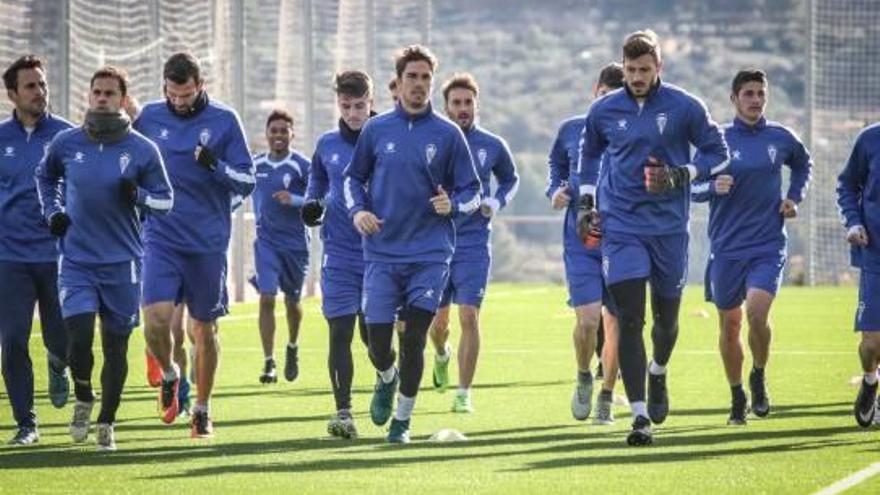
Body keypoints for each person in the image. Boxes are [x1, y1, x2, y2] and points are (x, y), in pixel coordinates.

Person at [576, 30, 729, 445]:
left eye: (645, 70)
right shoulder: (604, 110)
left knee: (666, 322)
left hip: (668, 231)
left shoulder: (685, 107)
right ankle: (639, 417)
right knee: (629, 318)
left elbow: (719, 152)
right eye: (630, 70)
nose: (637, 77)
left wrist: (684, 174)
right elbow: (588, 156)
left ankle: (658, 371)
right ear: (622, 68)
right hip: (621, 227)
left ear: (659, 67)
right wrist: (587, 204)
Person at [344, 45, 481, 443]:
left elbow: (472, 190)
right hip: (383, 252)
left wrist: (452, 205)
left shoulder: (448, 134)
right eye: (412, 77)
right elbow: (353, 180)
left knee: (415, 337)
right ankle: (386, 378)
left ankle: (402, 422)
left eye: (425, 78)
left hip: (430, 254)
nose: (419, 85)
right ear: (399, 82)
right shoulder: (375, 129)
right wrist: (358, 212)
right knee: (376, 343)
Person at [36, 66, 173, 450]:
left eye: (110, 93)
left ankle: (107, 422)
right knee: (77, 339)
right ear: (89, 95)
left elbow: (166, 201)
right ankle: (83, 393)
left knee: (115, 347)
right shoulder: (66, 143)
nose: (102, 98)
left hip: (123, 265)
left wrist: (140, 197)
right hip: (77, 262)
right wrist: (54, 212)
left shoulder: (143, 149)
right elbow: (45, 178)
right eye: (97, 92)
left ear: (123, 99)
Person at [135, 52, 254, 438]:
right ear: (164, 88)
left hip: (206, 242)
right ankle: (170, 374)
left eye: (186, 94)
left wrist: (215, 166)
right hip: (161, 237)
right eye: (173, 94)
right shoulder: (150, 118)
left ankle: (202, 409)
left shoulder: (224, 120)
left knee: (203, 330)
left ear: (200, 85)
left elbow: (247, 180)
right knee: (154, 323)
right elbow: (129, 161)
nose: (179, 102)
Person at [692, 69, 812, 425]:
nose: (756, 99)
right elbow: (690, 186)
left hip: (767, 245)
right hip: (726, 249)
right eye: (749, 93)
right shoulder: (717, 141)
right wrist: (714, 188)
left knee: (757, 314)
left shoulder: (780, 137)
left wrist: (793, 197)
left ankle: (758, 375)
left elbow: (804, 164)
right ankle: (736, 394)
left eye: (761, 93)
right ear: (734, 98)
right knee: (730, 325)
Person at [428, 72, 519, 413]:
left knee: (469, 316)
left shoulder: (492, 145)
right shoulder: (433, 141)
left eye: (468, 102)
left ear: (476, 104)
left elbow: (510, 179)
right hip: (436, 242)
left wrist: (496, 202)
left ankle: (464, 392)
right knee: (437, 324)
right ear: (446, 107)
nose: (463, 108)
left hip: (474, 244)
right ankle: (441, 353)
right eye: (456, 103)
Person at [0, 55, 73, 445]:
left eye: (42, 84)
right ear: (12, 93)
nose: (39, 92)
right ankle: (26, 423)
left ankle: (58, 363)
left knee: (61, 339)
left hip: (58, 255)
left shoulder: (66, 136)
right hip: (9, 258)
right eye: (30, 86)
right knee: (12, 340)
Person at [547, 62, 624, 425]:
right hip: (580, 240)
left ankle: (607, 395)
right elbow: (556, 166)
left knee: (618, 322)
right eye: (605, 96)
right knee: (589, 321)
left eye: (617, 98)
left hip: (624, 240)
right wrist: (556, 190)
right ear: (596, 92)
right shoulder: (571, 130)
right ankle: (583, 375)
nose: (609, 104)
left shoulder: (630, 134)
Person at [302, 69, 374, 439]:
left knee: (373, 337)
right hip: (338, 254)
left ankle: (386, 376)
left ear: (371, 103)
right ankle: (343, 412)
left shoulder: (385, 139)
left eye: (359, 105)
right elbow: (317, 181)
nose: (352, 113)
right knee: (339, 331)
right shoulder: (327, 143)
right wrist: (312, 203)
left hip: (380, 253)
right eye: (346, 106)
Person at [250, 109, 310, 384]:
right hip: (267, 243)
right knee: (266, 296)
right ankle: (268, 362)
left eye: (283, 130)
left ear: (291, 134)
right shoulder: (256, 165)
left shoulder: (301, 165)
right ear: (266, 134)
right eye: (273, 130)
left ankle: (293, 347)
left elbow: (319, 197)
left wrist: (295, 200)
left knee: (292, 301)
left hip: (296, 244)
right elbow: (237, 190)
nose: (278, 135)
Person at [837, 120, 880, 428]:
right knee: (871, 343)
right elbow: (847, 185)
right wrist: (853, 222)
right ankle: (869, 379)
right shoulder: (869, 139)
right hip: (874, 253)